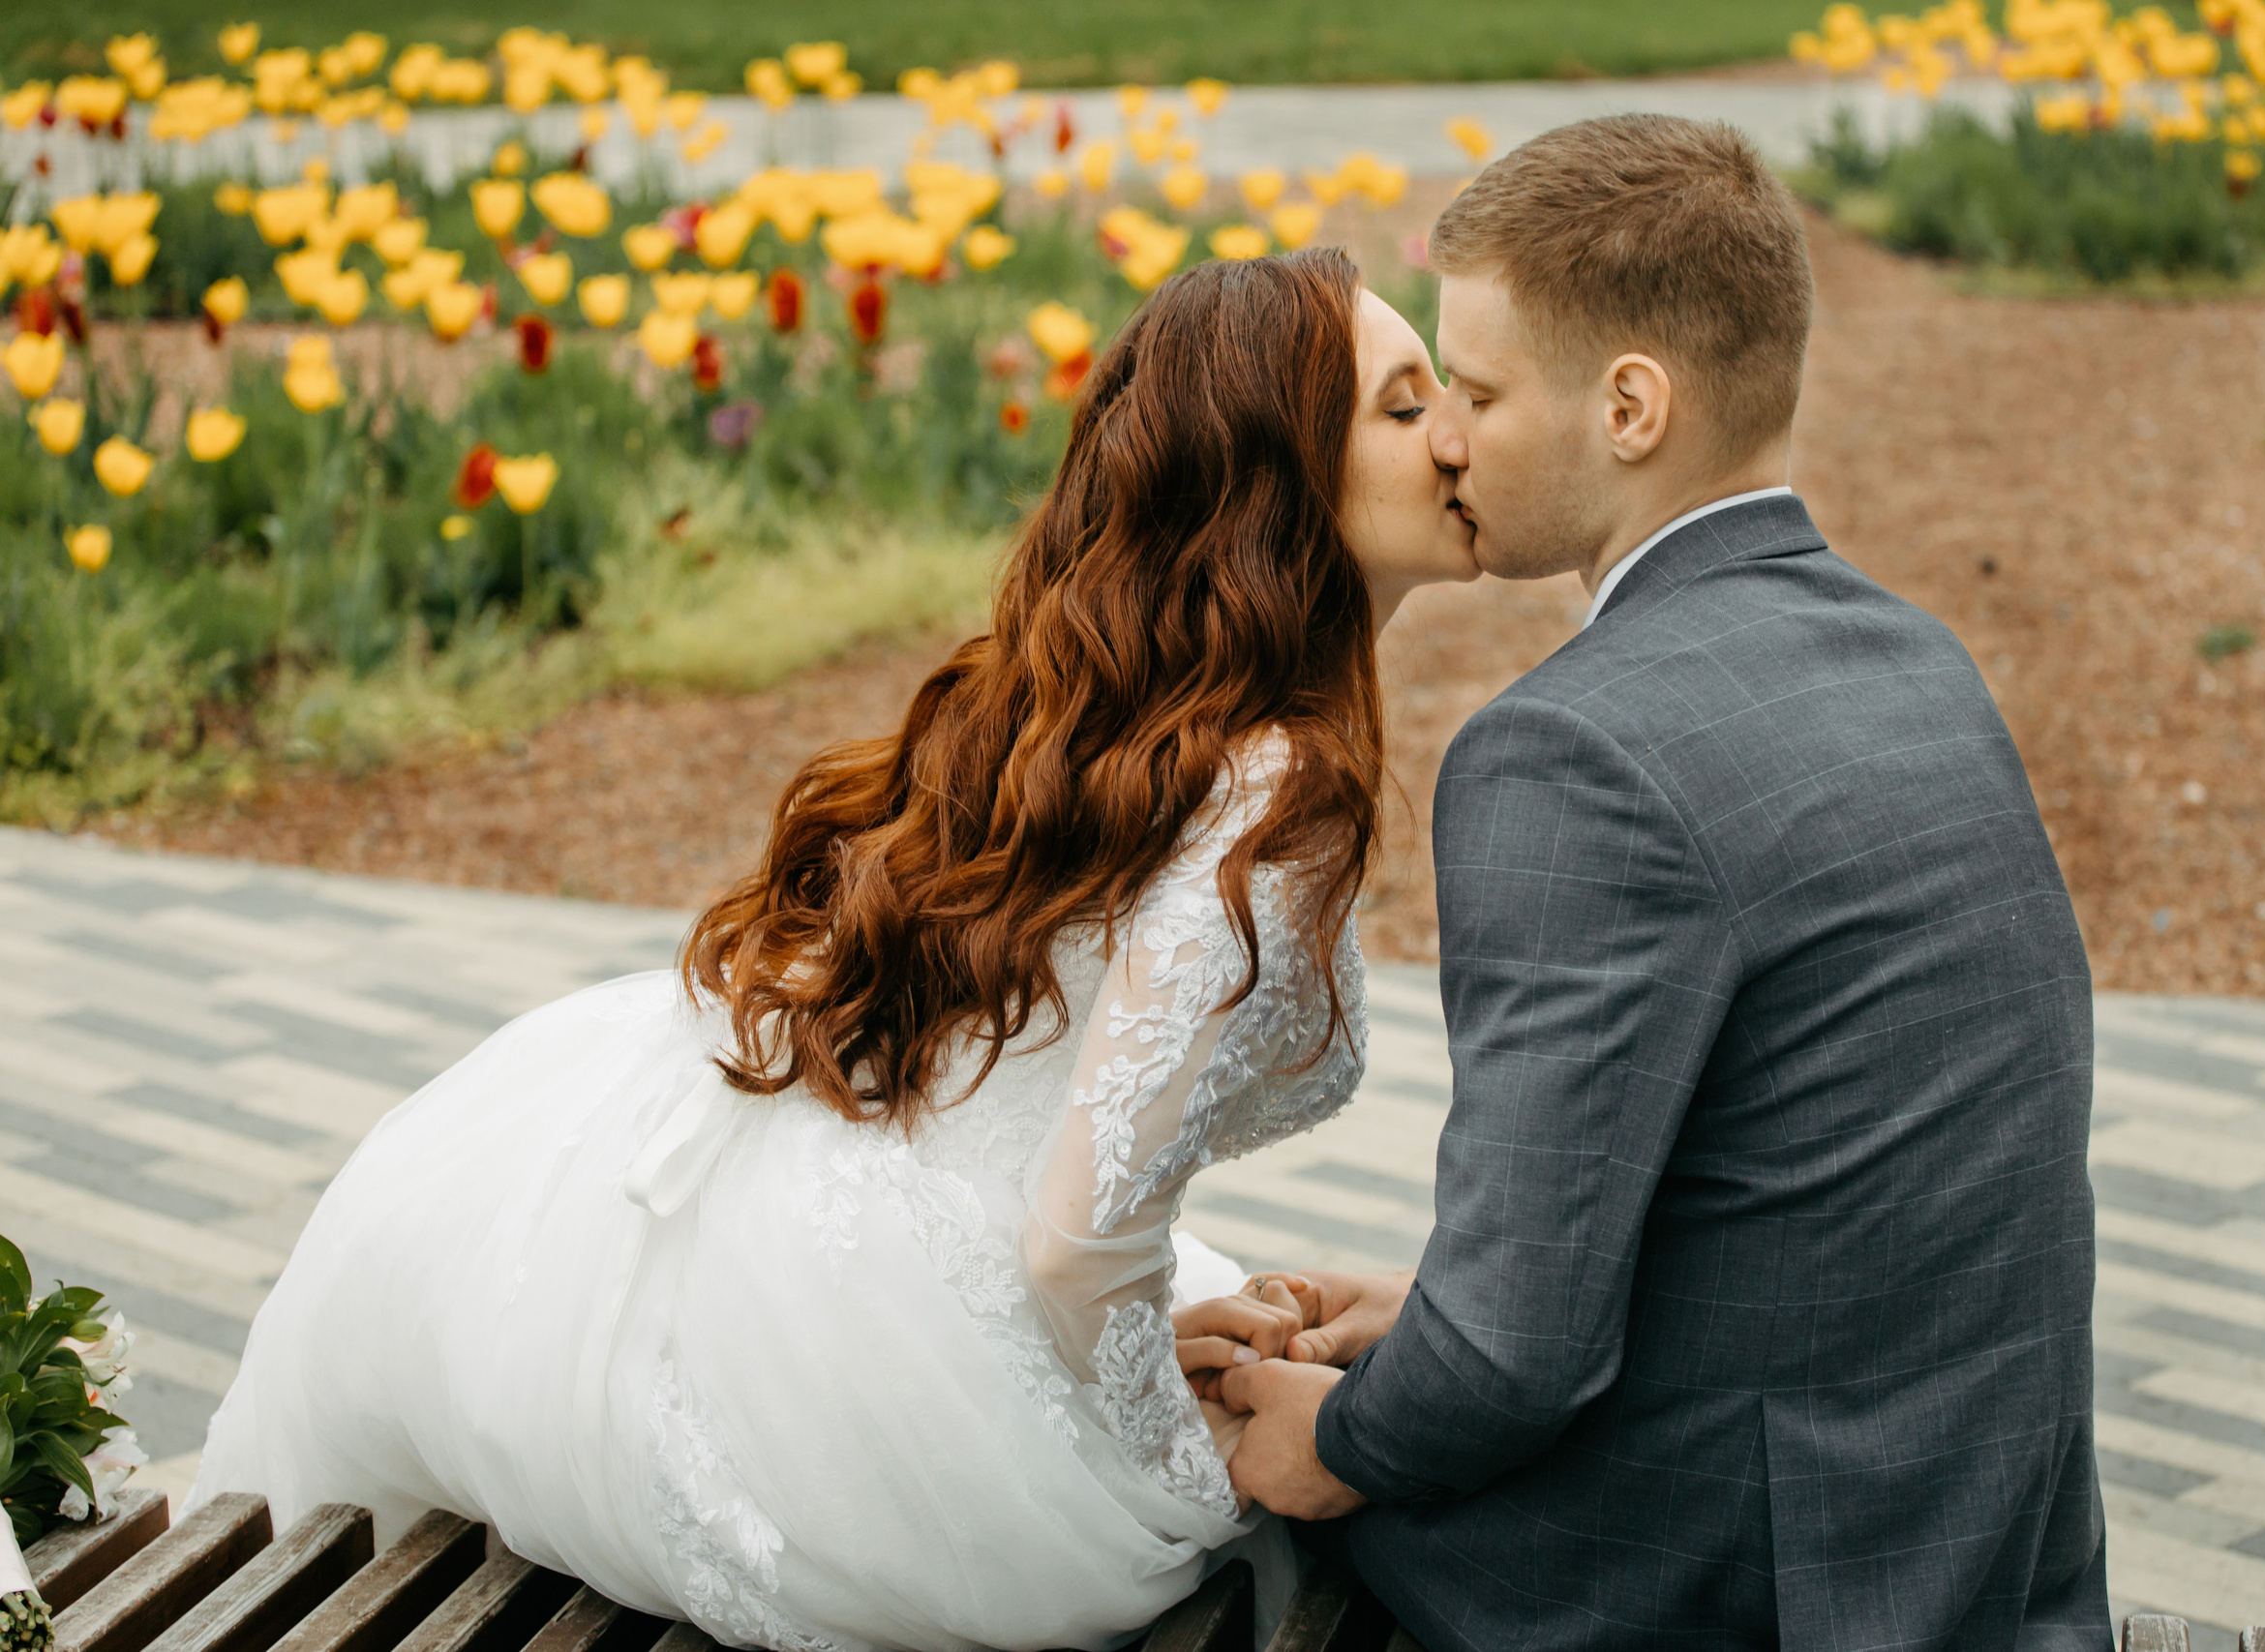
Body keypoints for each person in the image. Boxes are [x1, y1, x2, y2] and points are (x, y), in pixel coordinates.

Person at [188, 246, 1480, 1652]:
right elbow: (1074, 1246)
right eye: (1404, 404)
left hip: (825, 1232)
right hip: (854, 1359)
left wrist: (1121, 1338)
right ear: (1278, 479)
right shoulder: (1277, 786)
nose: (1456, 433)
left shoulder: (1154, 715)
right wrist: (1176, 1448)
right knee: (1237, 1523)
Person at [1219, 115, 2110, 1651]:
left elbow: (1510, 1362)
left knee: (1211, 1494)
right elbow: (1803, 1190)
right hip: (1968, 1549)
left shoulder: (1572, 752)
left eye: (1479, 392)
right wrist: (1430, 1317)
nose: (1448, 440)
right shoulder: (1921, 663)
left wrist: (1344, 1439)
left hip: (1730, 1592)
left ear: (1630, 407)